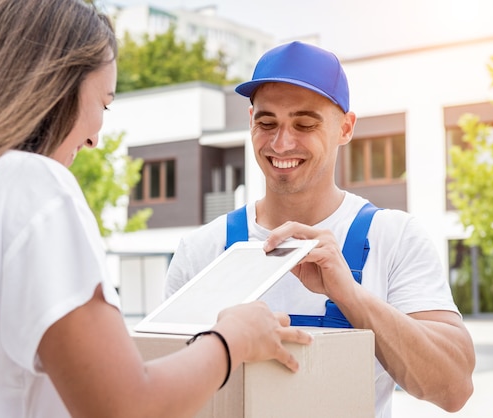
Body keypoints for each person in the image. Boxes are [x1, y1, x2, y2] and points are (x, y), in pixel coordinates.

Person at [0, 1, 313, 417]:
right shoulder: (30, 186)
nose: (94, 140)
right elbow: (125, 406)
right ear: (55, 86)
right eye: (104, 104)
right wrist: (233, 339)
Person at [164, 41, 476, 417]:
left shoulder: (394, 237)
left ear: (345, 127)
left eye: (304, 124)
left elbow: (453, 388)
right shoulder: (202, 250)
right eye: (267, 123)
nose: (282, 143)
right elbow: (163, 397)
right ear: (250, 122)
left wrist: (351, 296)